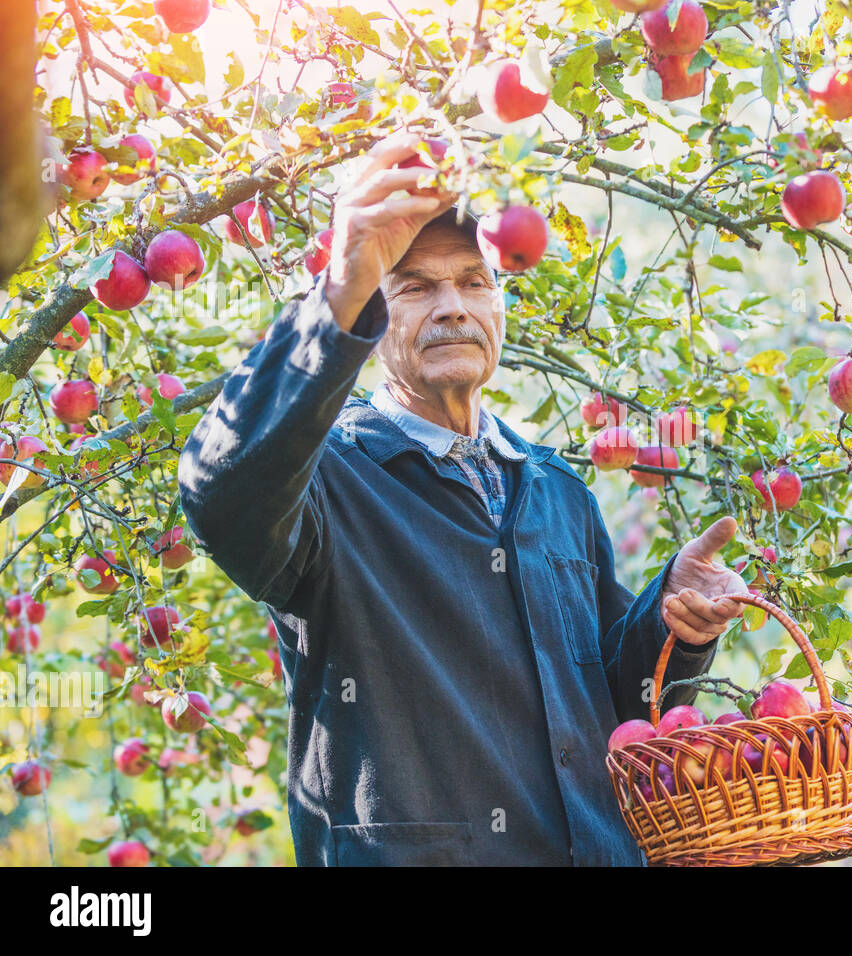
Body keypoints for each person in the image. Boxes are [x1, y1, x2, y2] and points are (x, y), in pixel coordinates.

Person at [178, 133, 747, 865]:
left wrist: (674, 624)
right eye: (414, 287)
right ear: (372, 317)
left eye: (475, 282)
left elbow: (609, 710)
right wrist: (341, 284)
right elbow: (221, 495)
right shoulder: (327, 483)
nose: (452, 307)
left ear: (501, 302)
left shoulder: (554, 489)